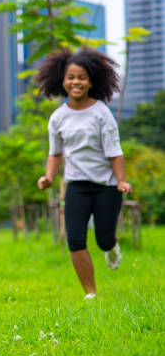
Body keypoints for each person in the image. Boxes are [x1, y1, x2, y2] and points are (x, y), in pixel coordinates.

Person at [35, 48, 132, 300]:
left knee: (103, 239)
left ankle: (111, 247)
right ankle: (91, 294)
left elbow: (114, 152)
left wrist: (121, 181)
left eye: (82, 77)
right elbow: (55, 154)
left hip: (106, 185)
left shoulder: (101, 113)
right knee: (75, 239)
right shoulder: (57, 117)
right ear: (62, 81)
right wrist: (48, 177)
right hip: (76, 184)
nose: (76, 82)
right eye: (71, 77)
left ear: (91, 82)